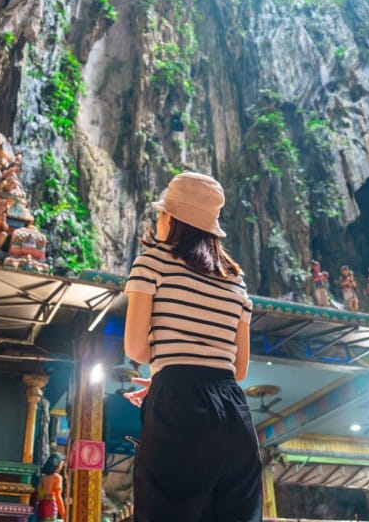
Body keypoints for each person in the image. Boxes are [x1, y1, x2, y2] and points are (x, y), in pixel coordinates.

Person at [123, 172, 262, 522]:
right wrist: (180, 367)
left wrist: (170, 374)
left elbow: (136, 349)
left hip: (177, 408)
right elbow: (238, 369)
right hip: (234, 412)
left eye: (161, 213)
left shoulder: (151, 263)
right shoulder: (236, 280)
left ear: (172, 219)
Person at [35, 452, 66, 521]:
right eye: (61, 464)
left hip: (41, 506)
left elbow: (39, 495)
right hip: (51, 506)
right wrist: (64, 515)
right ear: (58, 464)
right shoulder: (57, 477)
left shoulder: (43, 478)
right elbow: (58, 497)